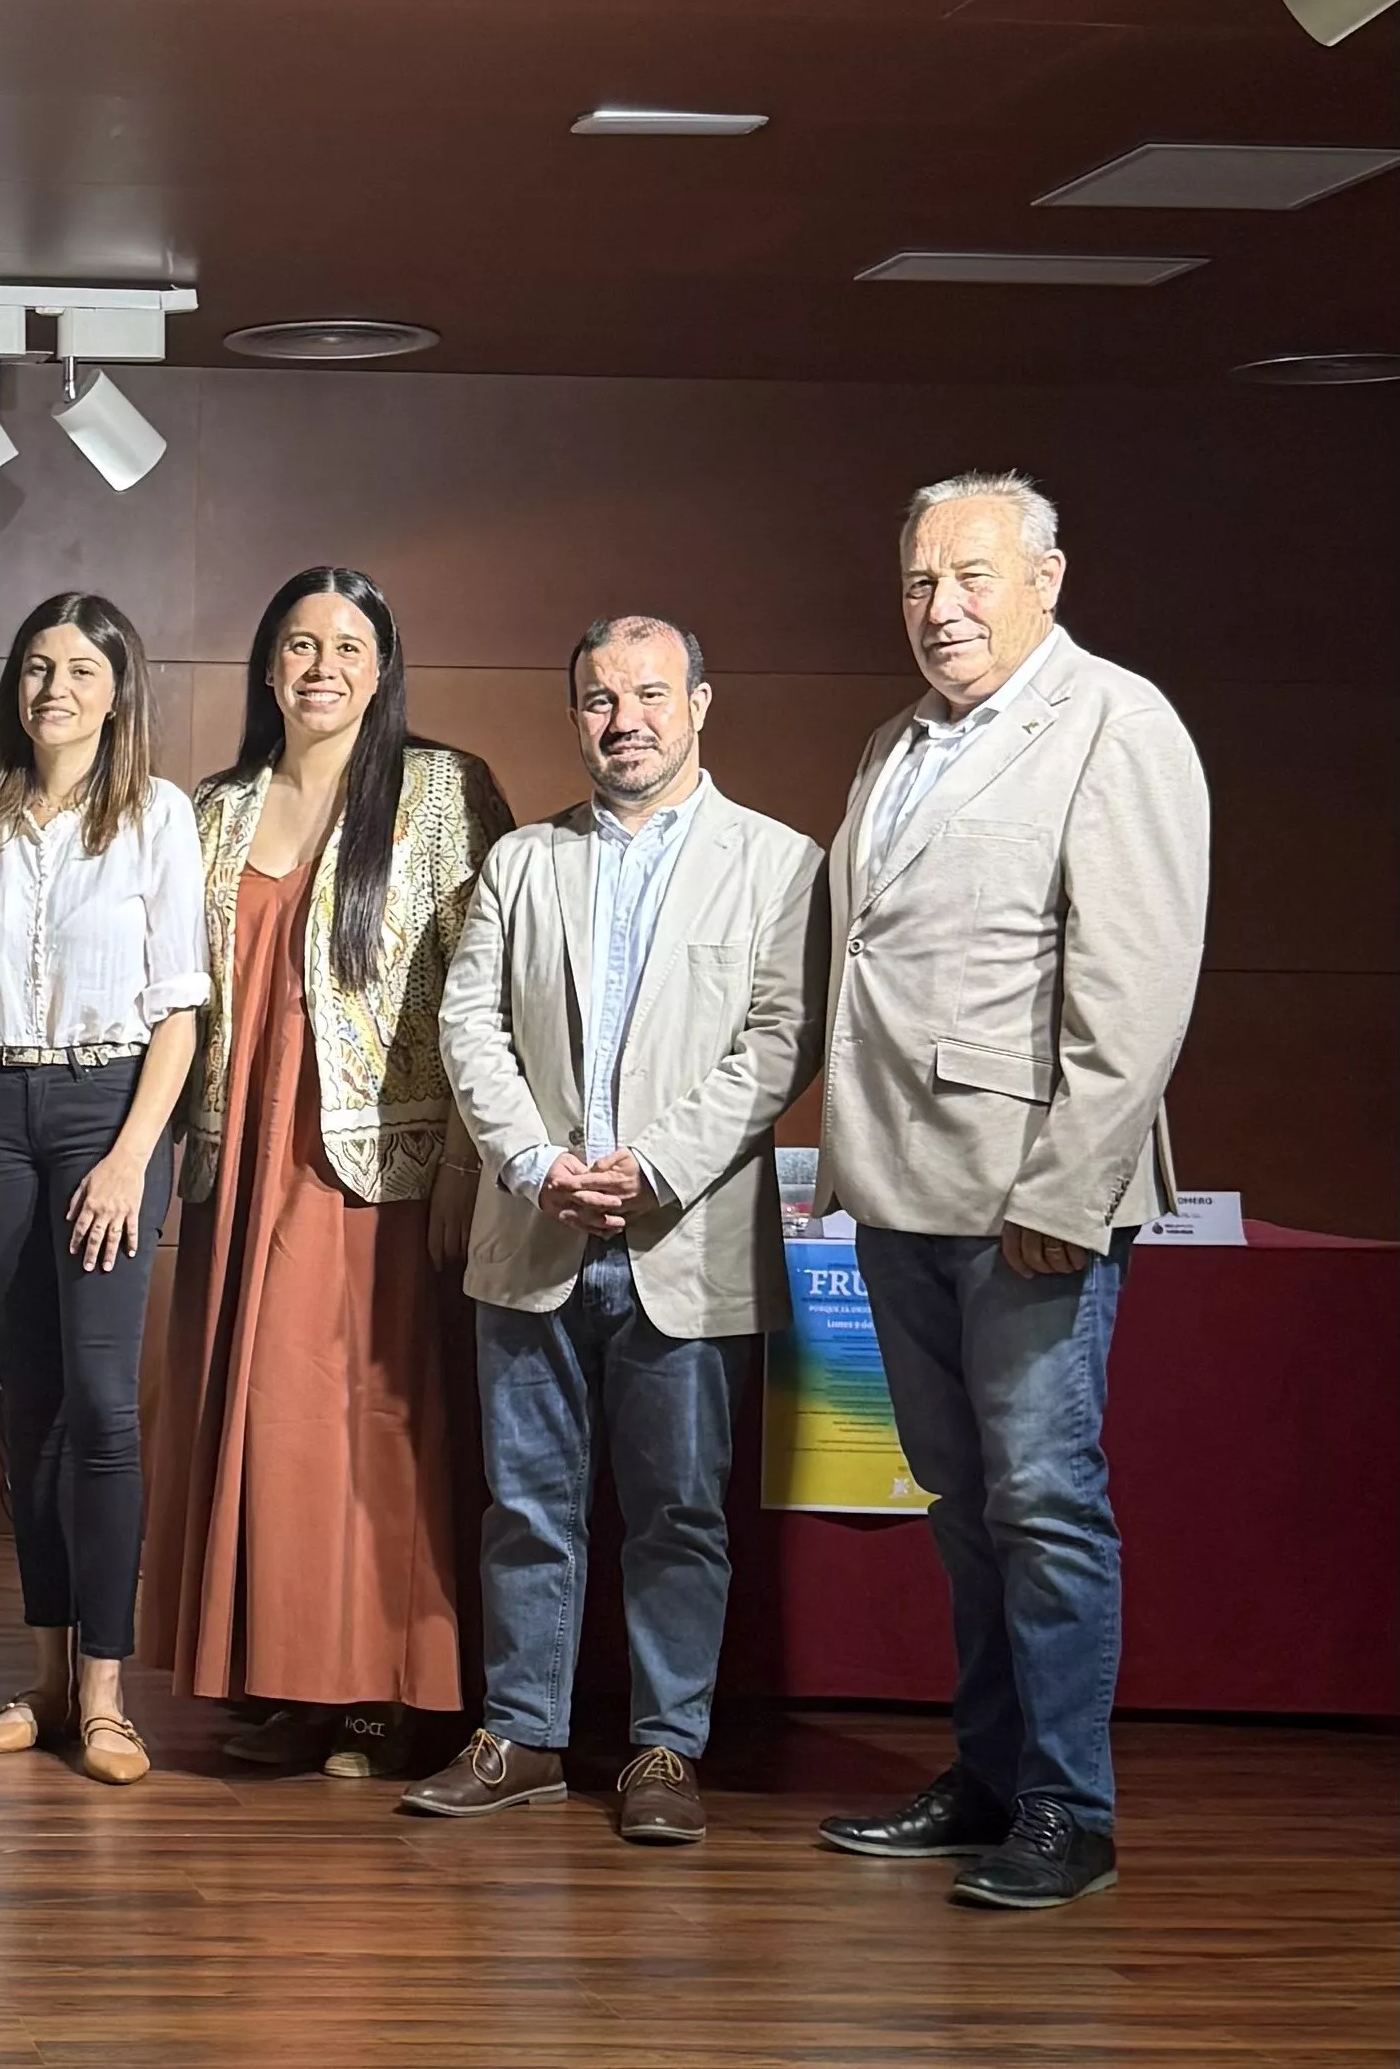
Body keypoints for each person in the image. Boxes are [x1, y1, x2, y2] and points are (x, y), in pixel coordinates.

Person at [813, 473, 1208, 1911]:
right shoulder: (897, 740)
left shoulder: (1117, 720)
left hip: (1031, 1195)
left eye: (972, 575)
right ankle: (987, 1771)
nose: (942, 607)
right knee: (961, 1501)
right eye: (920, 580)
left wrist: (1071, 1181)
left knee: (1044, 1501)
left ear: (1047, 576)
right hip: (900, 1188)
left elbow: (1138, 984)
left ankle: (1066, 1806)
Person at [405, 615, 825, 1844]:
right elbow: (468, 1024)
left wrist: (658, 1168)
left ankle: (663, 1751)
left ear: (703, 701)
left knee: (680, 1513)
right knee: (525, 1506)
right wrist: (535, 1164)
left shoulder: (779, 863)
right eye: (599, 699)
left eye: (651, 693)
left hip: (681, 1240)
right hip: (532, 1235)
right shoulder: (523, 864)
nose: (625, 718)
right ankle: (523, 1734)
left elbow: (776, 1044)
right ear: (575, 715)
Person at [141, 565, 511, 1783]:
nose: (322, 668)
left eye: (349, 647)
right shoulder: (214, 812)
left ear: (384, 666)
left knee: (367, 1426)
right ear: (265, 667)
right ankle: (280, 1676)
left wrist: (466, 1160)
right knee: (255, 1418)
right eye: (299, 645)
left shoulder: (441, 793)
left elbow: (485, 989)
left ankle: (382, 1690)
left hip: (380, 1159)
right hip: (240, 1150)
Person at [0, 592, 203, 1787]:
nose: (56, 687)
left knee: (102, 1404)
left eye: (83, 668)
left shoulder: (155, 816)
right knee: (30, 1404)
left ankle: (107, 1695)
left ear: (118, 689)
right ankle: (44, 1684)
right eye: (38, 666)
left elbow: (181, 1011)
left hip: (108, 1110)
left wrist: (132, 1156)